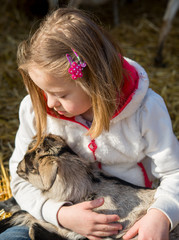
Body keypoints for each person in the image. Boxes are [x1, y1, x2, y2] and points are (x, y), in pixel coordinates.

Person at [1, 8, 179, 240]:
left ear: (95, 82)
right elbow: (19, 178)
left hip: (126, 225)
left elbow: (175, 172)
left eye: (62, 95)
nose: (50, 102)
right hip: (52, 221)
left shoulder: (146, 109)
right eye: (43, 91)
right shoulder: (36, 109)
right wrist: (60, 215)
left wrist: (160, 216)